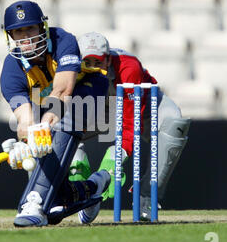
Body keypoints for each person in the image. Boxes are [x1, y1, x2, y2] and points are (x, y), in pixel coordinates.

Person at [0, 1, 110, 227]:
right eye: (19, 32)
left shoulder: (63, 40)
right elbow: (24, 118)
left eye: (30, 29)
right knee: (57, 200)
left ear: (43, 28)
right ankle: (91, 189)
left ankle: (35, 203)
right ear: (10, 35)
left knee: (65, 118)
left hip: (94, 98)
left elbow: (63, 91)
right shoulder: (11, 71)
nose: (27, 38)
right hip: (55, 112)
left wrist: (43, 128)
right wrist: (25, 142)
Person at [70, 32, 191, 221]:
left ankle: (147, 196)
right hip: (100, 110)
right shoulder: (70, 69)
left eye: (98, 62)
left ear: (108, 60)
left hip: (141, 104)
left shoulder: (128, 67)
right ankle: (80, 191)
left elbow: (129, 123)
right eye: (88, 63)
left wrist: (115, 157)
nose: (93, 68)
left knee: (174, 121)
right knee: (59, 131)